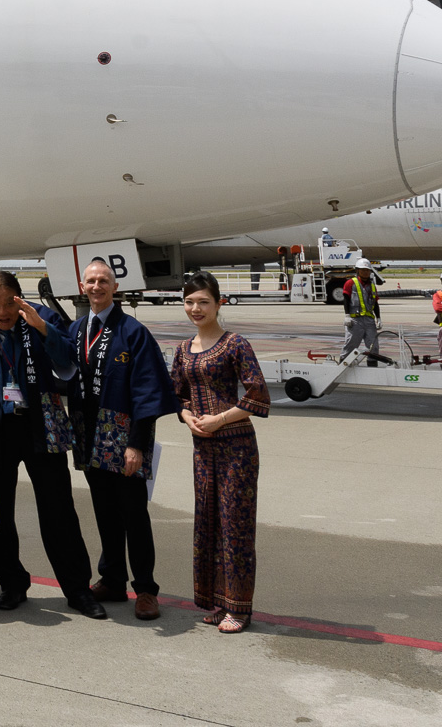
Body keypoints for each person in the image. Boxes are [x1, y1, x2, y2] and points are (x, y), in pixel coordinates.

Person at [0, 269, 99, 617]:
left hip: (41, 424)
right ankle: (12, 584)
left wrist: (43, 329)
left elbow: (67, 364)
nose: (2, 312)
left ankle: (77, 589)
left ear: (20, 298)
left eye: (8, 303)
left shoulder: (41, 316)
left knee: (58, 509)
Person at [68, 258, 178, 621]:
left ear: (115, 287)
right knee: (104, 512)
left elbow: (148, 391)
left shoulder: (133, 332)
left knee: (134, 513)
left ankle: (145, 588)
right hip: (90, 436)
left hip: (123, 438)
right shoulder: (76, 329)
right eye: (90, 281)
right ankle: (113, 579)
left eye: (103, 281)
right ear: (82, 286)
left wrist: (136, 443)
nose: (96, 287)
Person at [171, 271, 269, 633]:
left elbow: (257, 394)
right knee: (208, 522)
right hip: (203, 447)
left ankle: (239, 608)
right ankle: (219, 601)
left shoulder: (235, 344)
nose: (196, 308)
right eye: (190, 302)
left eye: (203, 302)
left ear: (218, 304)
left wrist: (219, 419)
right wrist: (187, 416)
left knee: (236, 525)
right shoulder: (183, 349)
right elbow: (176, 393)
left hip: (236, 445)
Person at [339, 258, 389, 366]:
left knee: (373, 346)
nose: (365, 272)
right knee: (351, 344)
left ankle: (372, 367)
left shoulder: (372, 286)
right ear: (357, 270)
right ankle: (343, 363)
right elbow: (346, 300)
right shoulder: (350, 283)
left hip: (369, 321)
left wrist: (378, 318)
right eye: (363, 270)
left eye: (367, 270)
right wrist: (347, 315)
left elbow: (375, 303)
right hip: (355, 320)